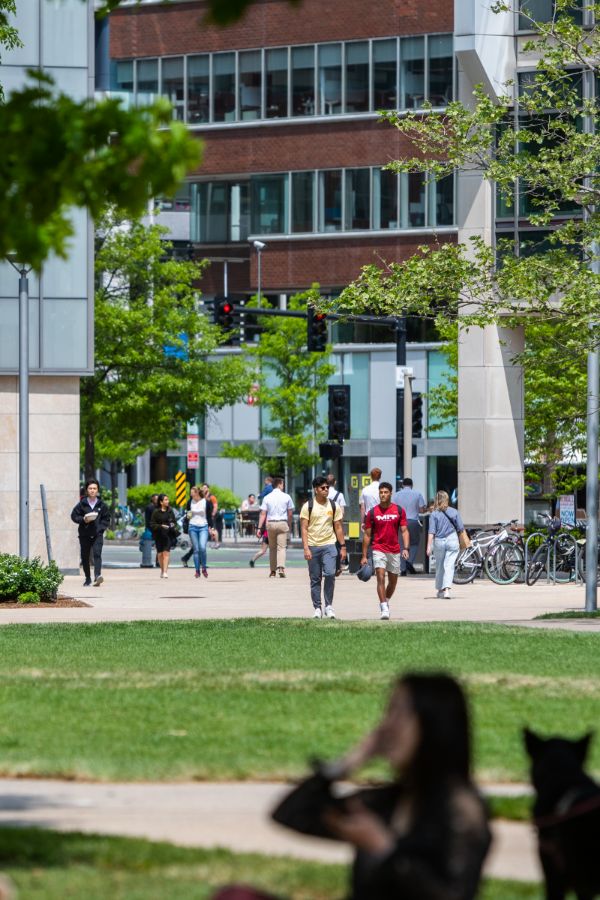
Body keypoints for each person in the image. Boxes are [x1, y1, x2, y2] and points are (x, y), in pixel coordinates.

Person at [272, 673, 491, 900]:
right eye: (389, 711)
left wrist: (384, 849)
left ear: (434, 724)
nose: (388, 726)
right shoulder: (388, 801)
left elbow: (452, 895)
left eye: (401, 713)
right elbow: (292, 813)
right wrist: (348, 763)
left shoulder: (461, 811)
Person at [300, 475, 347, 620]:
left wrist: (343, 546)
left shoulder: (334, 506)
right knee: (315, 579)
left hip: (329, 545)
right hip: (313, 546)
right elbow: (304, 529)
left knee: (330, 574)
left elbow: (338, 527)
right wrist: (306, 548)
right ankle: (317, 608)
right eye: (323, 488)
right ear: (316, 490)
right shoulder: (308, 506)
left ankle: (329, 606)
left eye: (327, 487)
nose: (326, 490)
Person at [360, 482, 409, 620]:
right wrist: (364, 555)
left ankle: (386, 600)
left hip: (394, 550)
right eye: (381, 492)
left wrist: (406, 548)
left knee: (393, 582)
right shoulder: (372, 512)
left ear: (390, 494)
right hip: (378, 548)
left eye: (385, 492)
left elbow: (404, 531)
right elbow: (367, 535)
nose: (383, 495)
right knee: (380, 577)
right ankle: (383, 607)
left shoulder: (399, 510)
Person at [70, 478, 110, 587]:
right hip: (84, 534)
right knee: (85, 556)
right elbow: (74, 516)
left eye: (94, 488)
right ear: (87, 490)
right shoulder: (82, 504)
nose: (92, 490)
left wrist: (100, 529)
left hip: (97, 534)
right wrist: (83, 519)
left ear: (97, 490)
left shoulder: (102, 505)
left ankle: (97, 576)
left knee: (97, 554)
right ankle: (87, 578)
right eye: (90, 488)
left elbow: (106, 519)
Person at [427, 490, 463, 600]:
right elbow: (460, 527)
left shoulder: (434, 514)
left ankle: (439, 590)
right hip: (452, 539)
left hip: (439, 540)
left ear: (437, 500)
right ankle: (447, 589)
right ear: (447, 499)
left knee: (439, 566)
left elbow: (431, 531)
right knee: (449, 565)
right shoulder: (454, 511)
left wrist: (429, 546)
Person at [258, 477, 294, 577]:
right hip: (282, 522)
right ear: (279, 484)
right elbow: (290, 513)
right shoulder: (287, 497)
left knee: (272, 548)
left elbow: (263, 514)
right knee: (282, 547)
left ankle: (273, 571)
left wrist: (259, 528)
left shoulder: (267, 497)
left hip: (271, 524)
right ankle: (281, 568)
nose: (283, 486)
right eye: (282, 484)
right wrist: (289, 524)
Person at [392, 477, 426, 576]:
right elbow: (421, 510)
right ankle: (409, 561)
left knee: (401, 545)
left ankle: (402, 568)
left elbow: (393, 509)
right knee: (415, 543)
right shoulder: (417, 494)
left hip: (400, 522)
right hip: (413, 521)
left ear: (402, 485)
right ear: (412, 485)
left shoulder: (396, 495)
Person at [187, 484, 214, 578]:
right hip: (192, 527)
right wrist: (188, 516)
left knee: (202, 547)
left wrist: (212, 527)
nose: (190, 494)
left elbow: (209, 516)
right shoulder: (190, 501)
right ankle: (197, 570)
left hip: (203, 527)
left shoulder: (205, 502)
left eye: (192, 492)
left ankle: (204, 568)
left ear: (197, 493)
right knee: (196, 549)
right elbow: (188, 514)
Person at [150, 493, 179, 579]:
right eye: (166, 500)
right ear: (161, 502)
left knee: (166, 553)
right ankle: (162, 570)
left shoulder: (170, 511)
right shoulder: (156, 512)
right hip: (158, 535)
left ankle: (165, 572)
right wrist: (161, 526)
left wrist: (172, 525)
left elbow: (174, 522)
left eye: (168, 499)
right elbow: (152, 524)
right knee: (160, 554)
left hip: (168, 534)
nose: (167, 501)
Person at [144, 493, 160, 568]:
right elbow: (147, 520)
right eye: (155, 499)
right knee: (148, 545)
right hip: (151, 528)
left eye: (158, 499)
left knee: (159, 545)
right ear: (152, 499)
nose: (157, 500)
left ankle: (158, 561)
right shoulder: (149, 507)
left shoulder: (160, 507)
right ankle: (147, 561)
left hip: (158, 528)